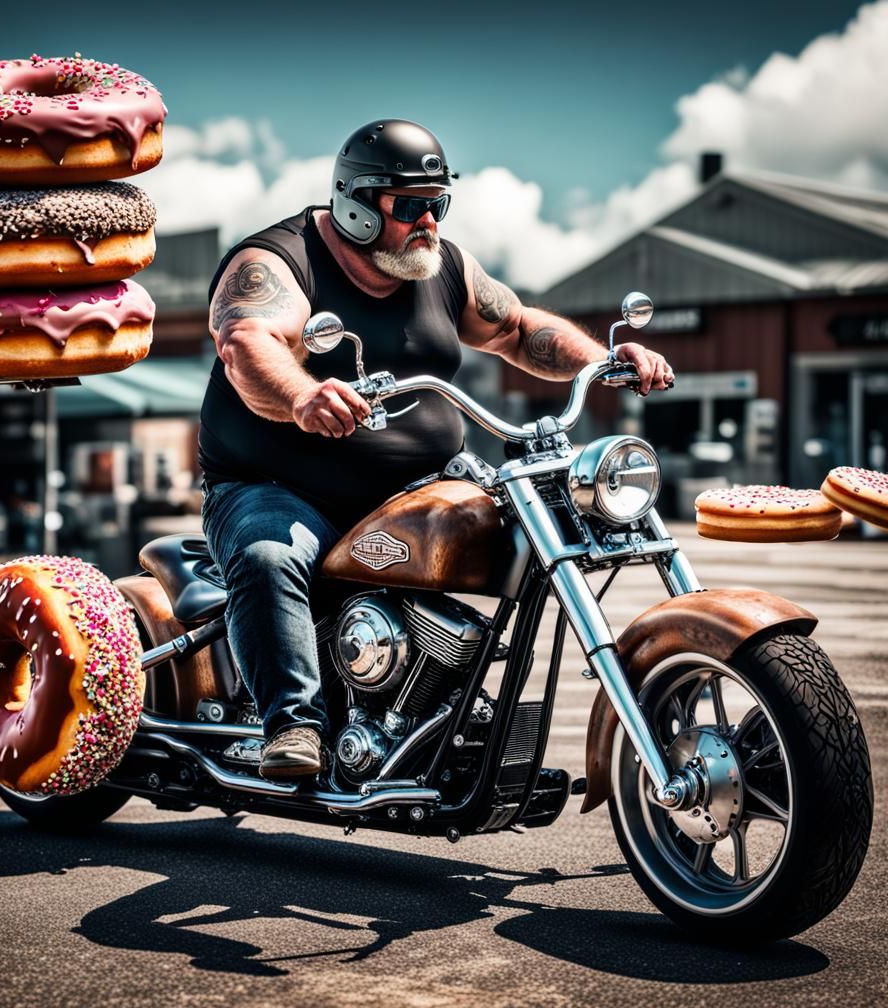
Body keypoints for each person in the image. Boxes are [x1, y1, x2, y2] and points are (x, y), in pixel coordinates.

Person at [199, 119, 673, 779]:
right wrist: (304, 397)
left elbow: (517, 328)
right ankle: (295, 726)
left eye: (438, 203)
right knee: (268, 555)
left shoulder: (442, 265)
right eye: (411, 205)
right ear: (357, 205)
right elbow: (247, 345)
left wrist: (605, 358)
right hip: (279, 486)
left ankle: (457, 706)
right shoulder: (278, 261)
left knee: (548, 523)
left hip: (420, 476)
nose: (430, 220)